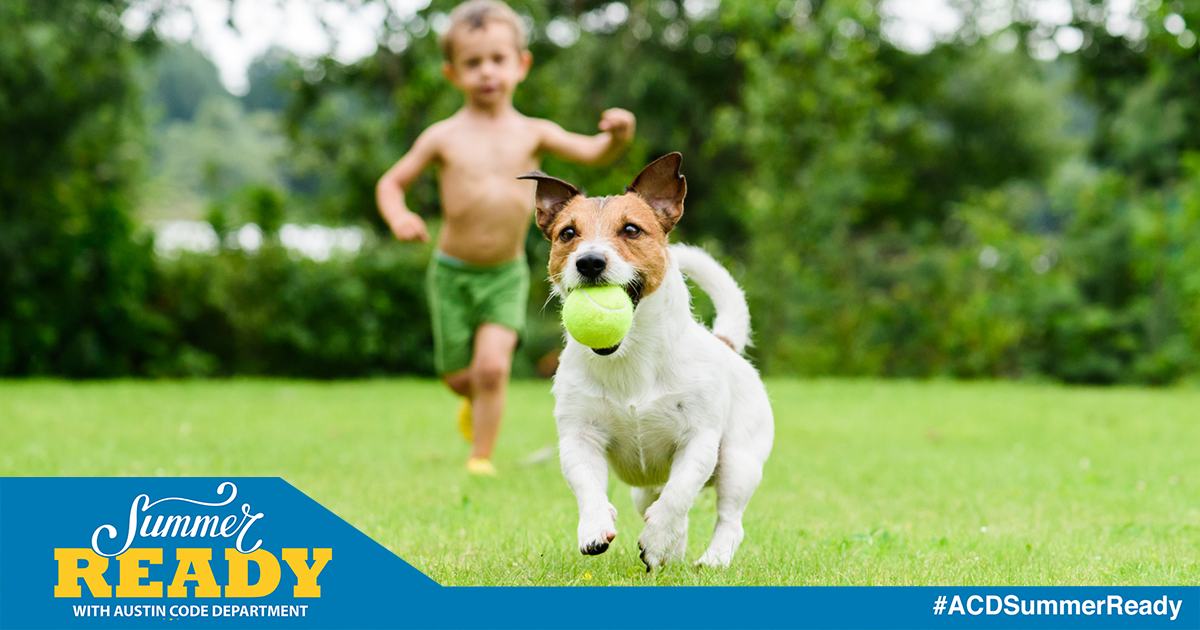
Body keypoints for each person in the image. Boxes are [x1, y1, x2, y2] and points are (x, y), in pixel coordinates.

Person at [376, 0, 636, 475]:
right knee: (461, 377)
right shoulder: (443, 136)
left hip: (505, 274)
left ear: (521, 65)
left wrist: (619, 135)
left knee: (493, 369)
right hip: (451, 272)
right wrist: (399, 216)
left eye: (497, 59)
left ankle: (481, 458)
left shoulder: (532, 132)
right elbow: (391, 183)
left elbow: (595, 152)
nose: (486, 72)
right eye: (473, 63)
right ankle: (469, 398)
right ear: (452, 73)